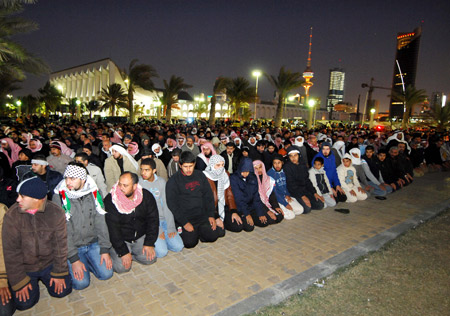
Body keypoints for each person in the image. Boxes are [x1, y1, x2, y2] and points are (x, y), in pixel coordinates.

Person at [2, 177, 72, 311]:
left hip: (48, 264)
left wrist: (59, 273)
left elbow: (60, 247)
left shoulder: (56, 212)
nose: (17, 200)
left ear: (37, 199)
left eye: (22, 196)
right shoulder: (12, 216)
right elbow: (11, 252)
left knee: (62, 291)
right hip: (26, 268)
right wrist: (19, 281)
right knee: (24, 304)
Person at [53, 163, 113, 290]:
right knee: (81, 284)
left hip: (93, 242)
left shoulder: (95, 193)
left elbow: (101, 221)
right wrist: (74, 259)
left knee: (107, 274)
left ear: (83, 179)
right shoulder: (59, 197)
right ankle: (81, 262)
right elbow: (63, 231)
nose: (68, 182)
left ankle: (89, 262)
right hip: (74, 247)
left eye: (73, 179)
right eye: (66, 178)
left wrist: (104, 249)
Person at [104, 172, 159, 273]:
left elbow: (153, 220)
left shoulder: (145, 196)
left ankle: (132, 255)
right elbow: (113, 230)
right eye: (120, 184)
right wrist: (123, 252)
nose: (121, 188)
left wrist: (149, 243)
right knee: (122, 268)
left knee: (151, 259)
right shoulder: (111, 200)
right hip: (121, 240)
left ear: (134, 186)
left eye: (125, 185)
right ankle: (118, 254)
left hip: (139, 237)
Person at [166, 151, 219, 248]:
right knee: (189, 243)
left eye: (191, 166)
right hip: (185, 218)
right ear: (180, 165)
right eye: (185, 167)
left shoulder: (200, 175)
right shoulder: (173, 180)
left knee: (214, 235)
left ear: (194, 164)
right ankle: (195, 233)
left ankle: (199, 231)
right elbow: (172, 204)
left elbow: (208, 196)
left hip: (201, 215)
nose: (188, 169)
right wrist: (184, 223)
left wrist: (211, 215)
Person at [139, 158, 184, 258]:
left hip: (164, 220)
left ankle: (163, 240)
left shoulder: (161, 182)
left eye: (147, 170)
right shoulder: (139, 185)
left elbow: (167, 205)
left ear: (154, 170)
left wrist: (171, 226)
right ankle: (152, 240)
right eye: (142, 169)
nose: (143, 173)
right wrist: (157, 230)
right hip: (151, 223)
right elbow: (143, 212)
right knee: (162, 252)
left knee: (178, 247)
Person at [203, 155, 238, 234]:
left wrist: (233, 211)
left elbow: (229, 194)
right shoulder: (204, 177)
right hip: (211, 211)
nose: (221, 168)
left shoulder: (225, 175)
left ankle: (223, 221)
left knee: (238, 226)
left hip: (223, 207)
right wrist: (215, 217)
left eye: (222, 165)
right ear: (212, 165)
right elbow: (206, 200)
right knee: (220, 233)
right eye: (218, 165)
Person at [284, 147, 324, 213]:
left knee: (320, 205)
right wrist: (302, 196)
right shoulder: (287, 167)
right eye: (291, 156)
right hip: (294, 192)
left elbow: (307, 180)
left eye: (295, 155)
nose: (293, 158)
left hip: (304, 190)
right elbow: (291, 185)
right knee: (307, 209)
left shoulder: (303, 165)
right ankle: (297, 202)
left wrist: (314, 193)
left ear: (299, 155)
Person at [252, 160, 284, 224]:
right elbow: (255, 199)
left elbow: (271, 195)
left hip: (266, 203)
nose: (259, 170)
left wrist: (276, 206)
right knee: (267, 220)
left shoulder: (267, 179)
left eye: (260, 167)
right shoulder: (251, 181)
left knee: (280, 216)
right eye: (256, 168)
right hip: (255, 205)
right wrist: (267, 211)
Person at [0, 203, 14, 316]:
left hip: (2, 272)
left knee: (4, 311)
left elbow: (3, 246)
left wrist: (2, 281)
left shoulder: (1, 210)